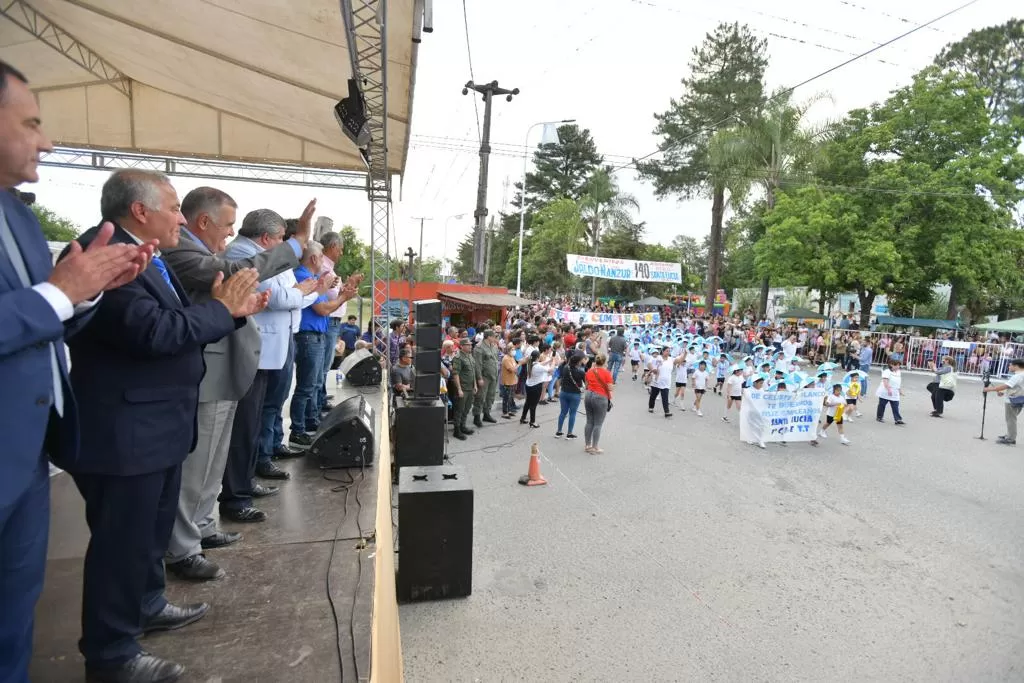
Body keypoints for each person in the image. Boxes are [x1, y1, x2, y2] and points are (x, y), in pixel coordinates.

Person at [62, 169, 266, 682]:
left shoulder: (146, 254)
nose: (181, 218)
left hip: (153, 425)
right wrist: (222, 310)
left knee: (147, 535)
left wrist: (233, 313)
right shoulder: (106, 254)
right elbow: (153, 332)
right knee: (121, 544)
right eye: (174, 208)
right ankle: (112, 655)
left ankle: (147, 604)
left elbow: (176, 324)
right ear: (139, 211)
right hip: (125, 429)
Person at [0, 61, 154, 683]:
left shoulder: (18, 215)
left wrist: (87, 291)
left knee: (14, 623)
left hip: (28, 457)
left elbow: (46, 315)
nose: (48, 141)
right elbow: (43, 303)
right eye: (32, 123)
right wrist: (60, 293)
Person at [160, 189, 308, 581]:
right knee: (198, 463)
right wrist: (297, 244)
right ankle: (183, 546)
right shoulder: (183, 253)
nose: (229, 235)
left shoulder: (200, 251)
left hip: (225, 367)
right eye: (226, 227)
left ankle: (203, 527)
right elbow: (238, 273)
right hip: (208, 368)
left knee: (213, 458)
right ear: (204, 221)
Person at [223, 209, 323, 521]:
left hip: (270, 349)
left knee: (256, 420)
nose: (284, 246)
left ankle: (247, 481)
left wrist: (301, 292)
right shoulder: (242, 254)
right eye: (282, 239)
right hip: (256, 351)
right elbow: (278, 297)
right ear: (267, 238)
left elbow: (288, 295)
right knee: (244, 426)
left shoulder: (261, 255)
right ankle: (235, 495)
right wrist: (303, 291)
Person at [982, 358, 1024, 446]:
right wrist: (1003, 392)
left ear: (1016, 366)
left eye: (1010, 365)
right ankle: (1010, 435)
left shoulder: (1017, 376)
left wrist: (989, 389)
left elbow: (1006, 386)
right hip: (1019, 399)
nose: (1009, 366)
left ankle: (1011, 439)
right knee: (1012, 418)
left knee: (1011, 419)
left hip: (1012, 400)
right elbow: (1016, 387)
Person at [583, 354, 614, 453]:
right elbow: (610, 387)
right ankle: (595, 446)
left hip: (589, 395)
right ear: (604, 362)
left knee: (589, 421)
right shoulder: (607, 373)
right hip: (600, 397)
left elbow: (586, 385)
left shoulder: (589, 371)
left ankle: (588, 445)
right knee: (598, 423)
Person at [472, 329, 499, 426]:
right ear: (489, 337)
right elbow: (477, 365)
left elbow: (495, 360)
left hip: (493, 375)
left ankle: (487, 414)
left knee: (490, 396)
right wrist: (479, 378)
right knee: (480, 397)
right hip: (484, 376)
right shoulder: (479, 347)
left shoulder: (493, 346)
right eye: (494, 336)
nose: (495, 338)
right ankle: (477, 417)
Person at [555, 353, 586, 439]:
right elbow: (587, 384)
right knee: (572, 413)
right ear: (578, 362)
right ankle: (569, 433)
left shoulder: (565, 368)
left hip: (564, 392)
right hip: (575, 394)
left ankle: (559, 431)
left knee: (563, 412)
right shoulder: (581, 372)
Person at [452, 338, 477, 438]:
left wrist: (475, 385)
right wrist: (459, 389)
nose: (470, 346)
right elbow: (455, 374)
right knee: (459, 409)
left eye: (470, 345)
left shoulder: (470, 356)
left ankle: (463, 426)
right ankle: (456, 430)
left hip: (470, 387)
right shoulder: (458, 357)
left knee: (466, 409)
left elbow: (473, 372)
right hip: (463, 388)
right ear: (462, 346)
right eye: (468, 345)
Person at [876, 359, 905, 425]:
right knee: (882, 405)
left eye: (899, 365)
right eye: (896, 365)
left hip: (895, 392)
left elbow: (898, 382)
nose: (898, 367)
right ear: (891, 365)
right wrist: (888, 390)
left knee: (895, 406)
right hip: (885, 391)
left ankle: (898, 419)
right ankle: (879, 417)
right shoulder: (887, 371)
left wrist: (900, 390)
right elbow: (885, 381)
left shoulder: (898, 372)